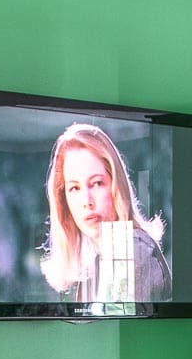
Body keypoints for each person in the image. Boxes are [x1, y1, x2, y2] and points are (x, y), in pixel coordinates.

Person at [39, 122, 173, 303]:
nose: (87, 201)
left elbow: (111, 330)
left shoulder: (131, 247)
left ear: (116, 185)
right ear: (64, 200)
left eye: (96, 183)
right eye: (75, 188)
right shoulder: (97, 260)